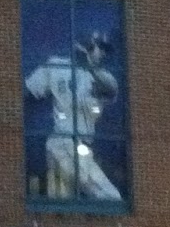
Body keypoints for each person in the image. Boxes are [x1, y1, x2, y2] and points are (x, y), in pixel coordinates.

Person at [24, 30, 122, 200]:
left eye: (104, 49)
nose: (102, 53)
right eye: (99, 47)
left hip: (81, 147)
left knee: (63, 209)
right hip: (63, 142)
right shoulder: (57, 65)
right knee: (111, 198)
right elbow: (26, 91)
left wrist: (89, 66)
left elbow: (110, 90)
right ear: (87, 44)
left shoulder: (104, 77)